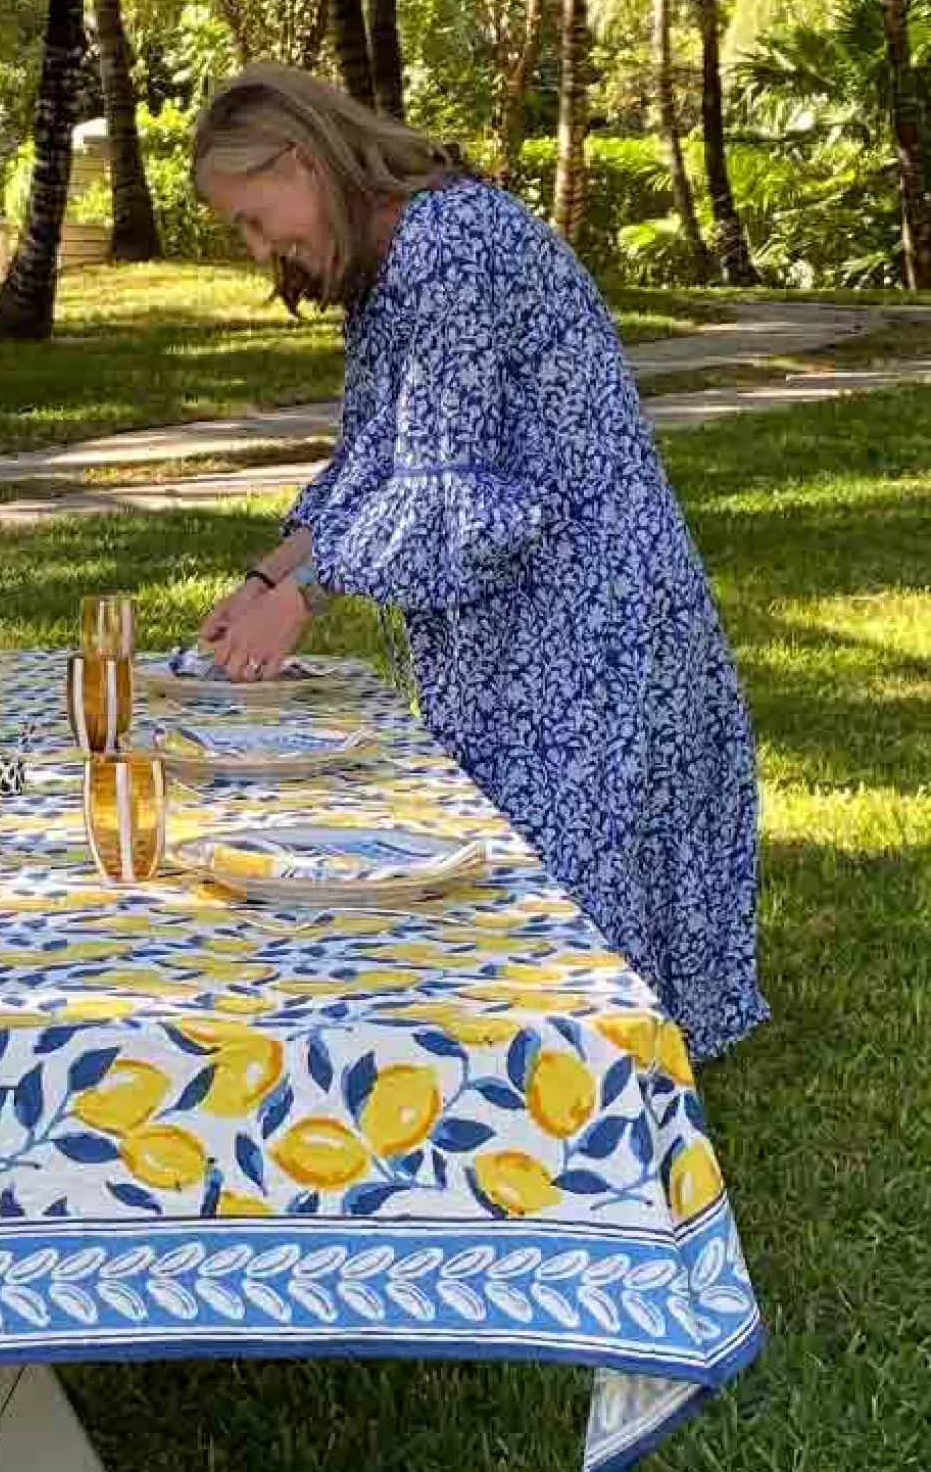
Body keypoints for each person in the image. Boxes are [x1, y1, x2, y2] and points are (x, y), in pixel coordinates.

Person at [190, 62, 766, 1061]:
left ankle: (590, 1128)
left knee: (566, 946)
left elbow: (454, 497)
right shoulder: (388, 258)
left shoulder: (448, 247)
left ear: (299, 160)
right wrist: (263, 577)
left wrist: (308, 593)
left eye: (253, 216)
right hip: (523, 609)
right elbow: (375, 457)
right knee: (515, 909)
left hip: (588, 607)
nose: (258, 247)